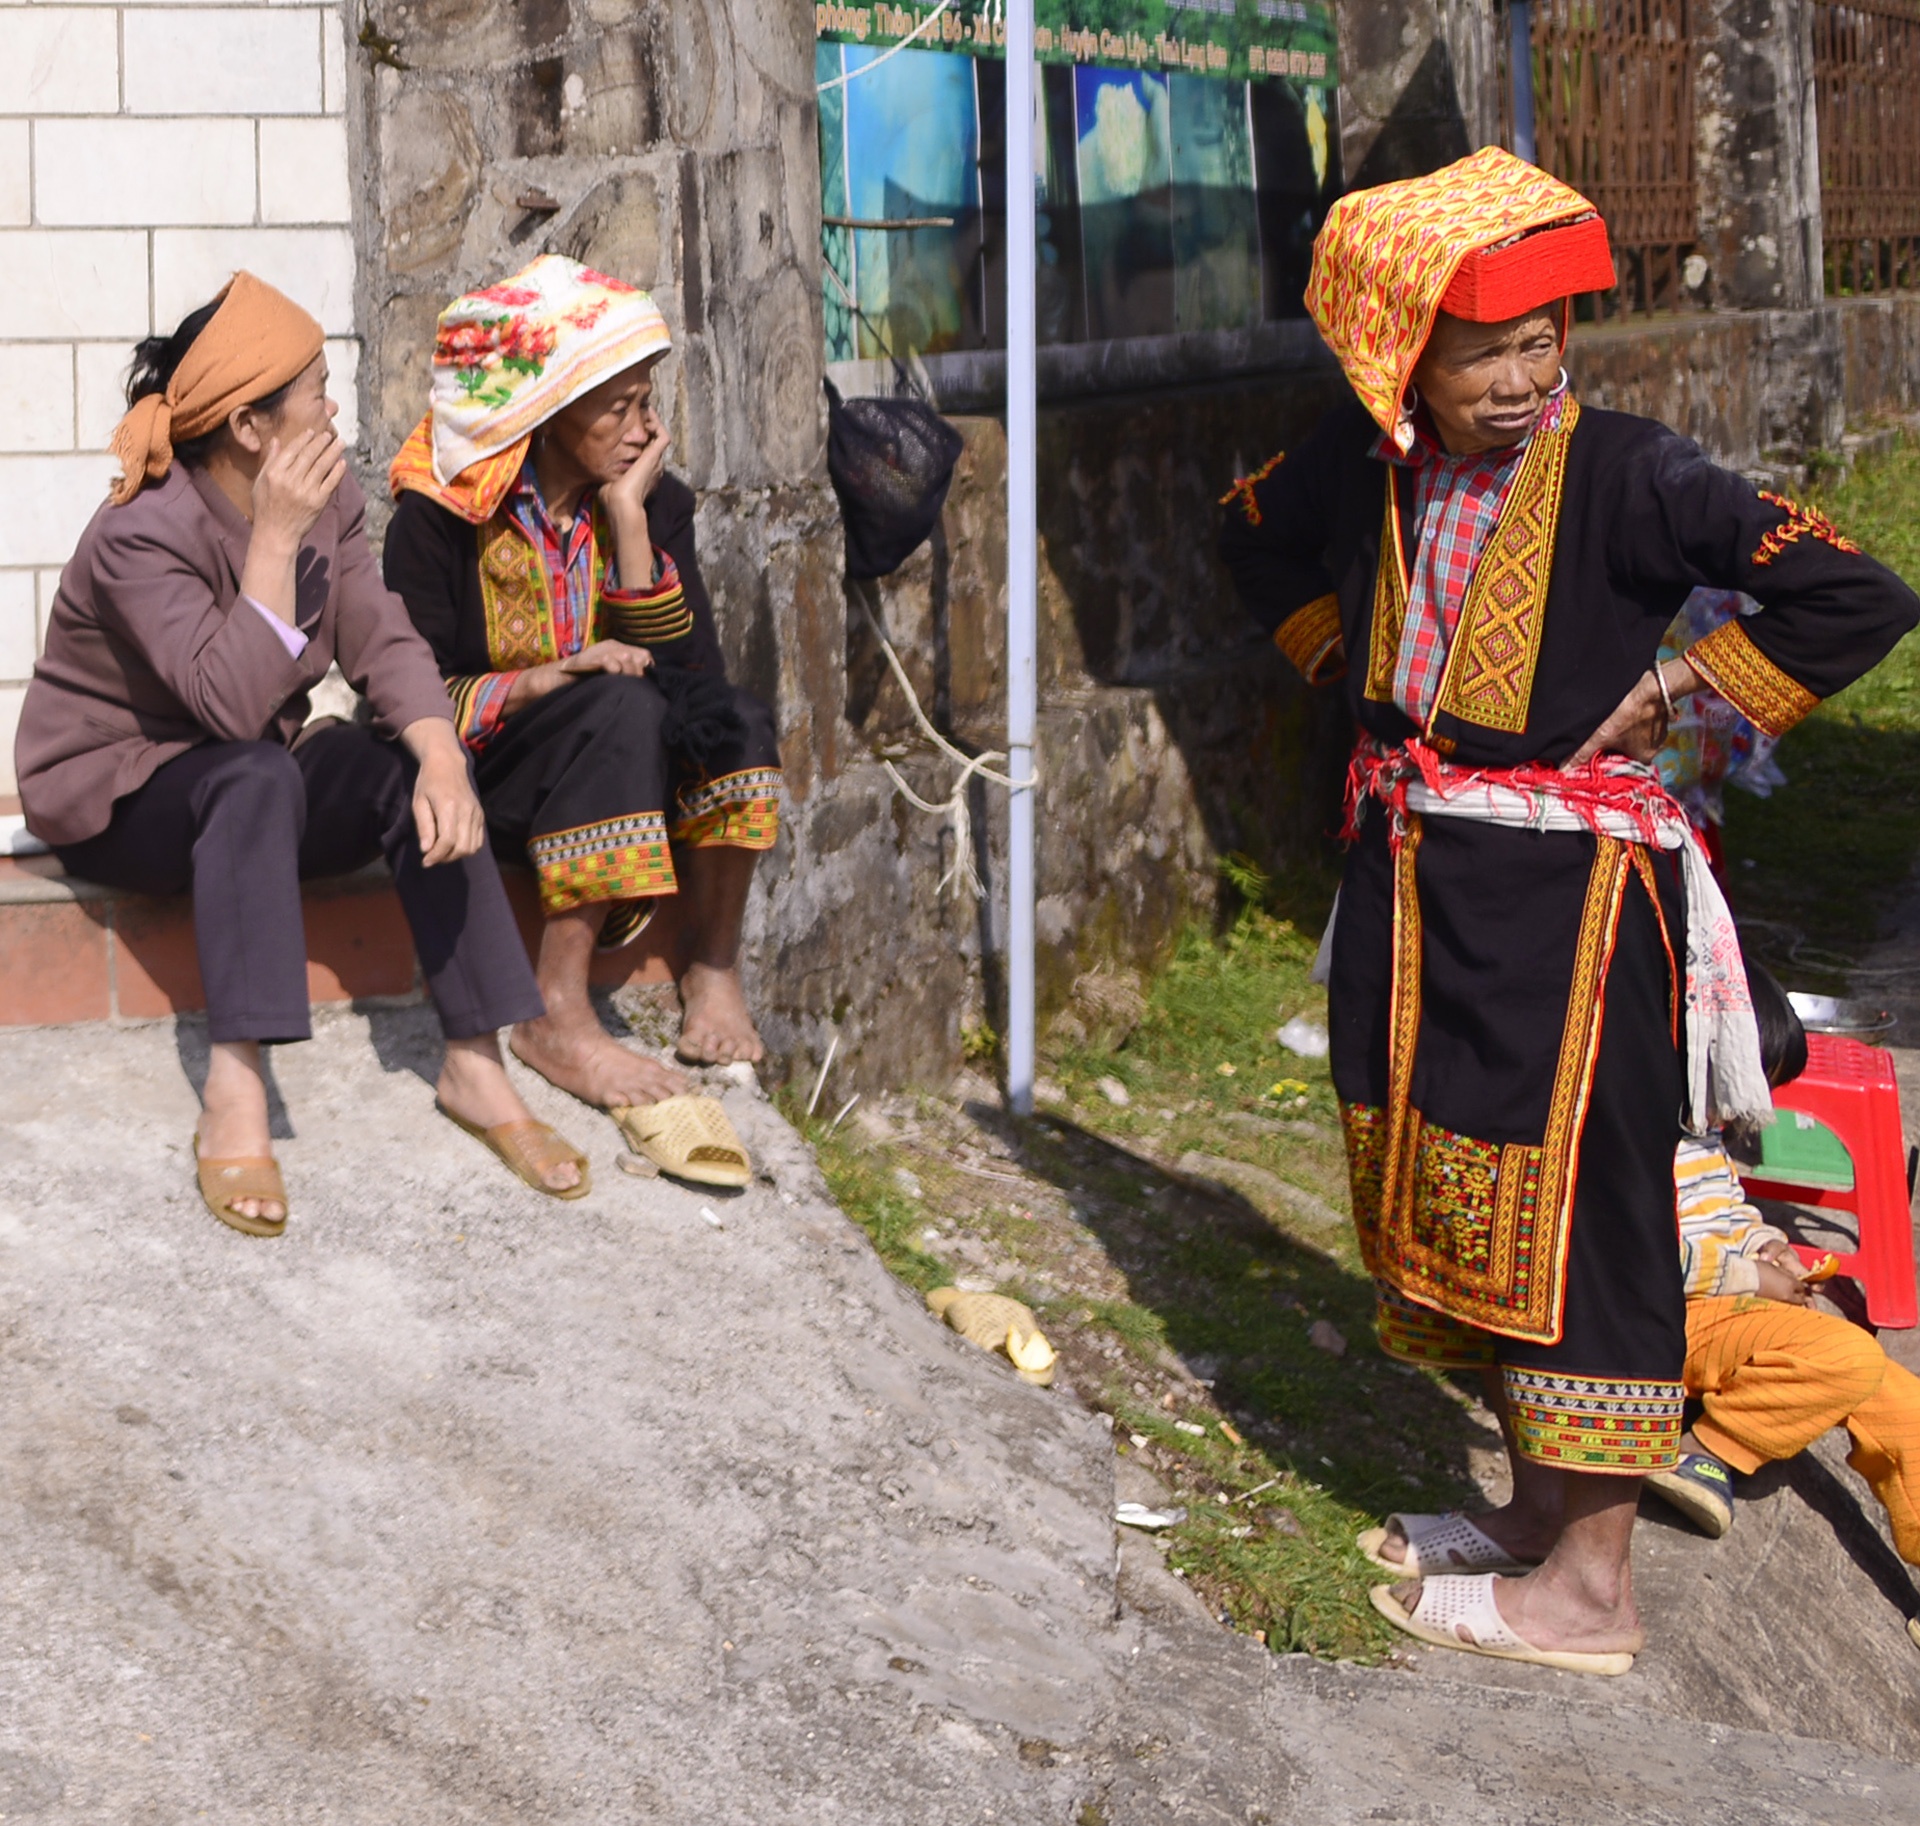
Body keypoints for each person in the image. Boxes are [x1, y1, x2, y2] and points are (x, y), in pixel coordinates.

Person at [1219, 146, 1920, 1674]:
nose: (1531, 375)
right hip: (1416, 888)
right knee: (1458, 1197)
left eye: (1549, 341)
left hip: (1580, 906)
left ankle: (1591, 1590)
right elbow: (1246, 532)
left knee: (1585, 1218)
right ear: (1400, 351)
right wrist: (1352, 667)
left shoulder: (1633, 475)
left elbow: (1858, 596)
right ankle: (1538, 1514)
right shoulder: (1364, 461)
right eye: (1492, 349)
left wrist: (1682, 688)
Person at [15, 274, 590, 1232]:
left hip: (254, 779)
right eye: (318, 389)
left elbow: (380, 632)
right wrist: (274, 541)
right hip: (120, 795)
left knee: (400, 769)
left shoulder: (327, 503)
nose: (335, 407)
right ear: (249, 427)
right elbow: (231, 709)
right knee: (252, 771)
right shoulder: (138, 534)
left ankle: (475, 1063)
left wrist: (441, 751)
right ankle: (236, 1090)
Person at [381, 256, 780, 1157]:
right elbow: (401, 692)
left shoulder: (647, 498)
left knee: (740, 723)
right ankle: (556, 1011)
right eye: (621, 407)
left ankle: (712, 968)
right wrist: (538, 681)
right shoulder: (439, 516)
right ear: (549, 411)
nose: (647, 427)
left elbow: (696, 681)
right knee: (620, 709)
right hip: (497, 772)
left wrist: (631, 523)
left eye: (648, 402)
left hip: (617, 758)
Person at [1649, 969, 1920, 1575]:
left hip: (1727, 1308)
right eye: (1745, 1082)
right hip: (1674, 1319)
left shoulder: (1700, 1131)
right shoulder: (1634, 1135)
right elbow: (1641, 1257)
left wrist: (1770, 1247)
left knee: (1903, 1405)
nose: (1750, 1104)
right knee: (1850, 1358)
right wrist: (1751, 1279)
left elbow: (1730, 1206)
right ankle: (1702, 1452)